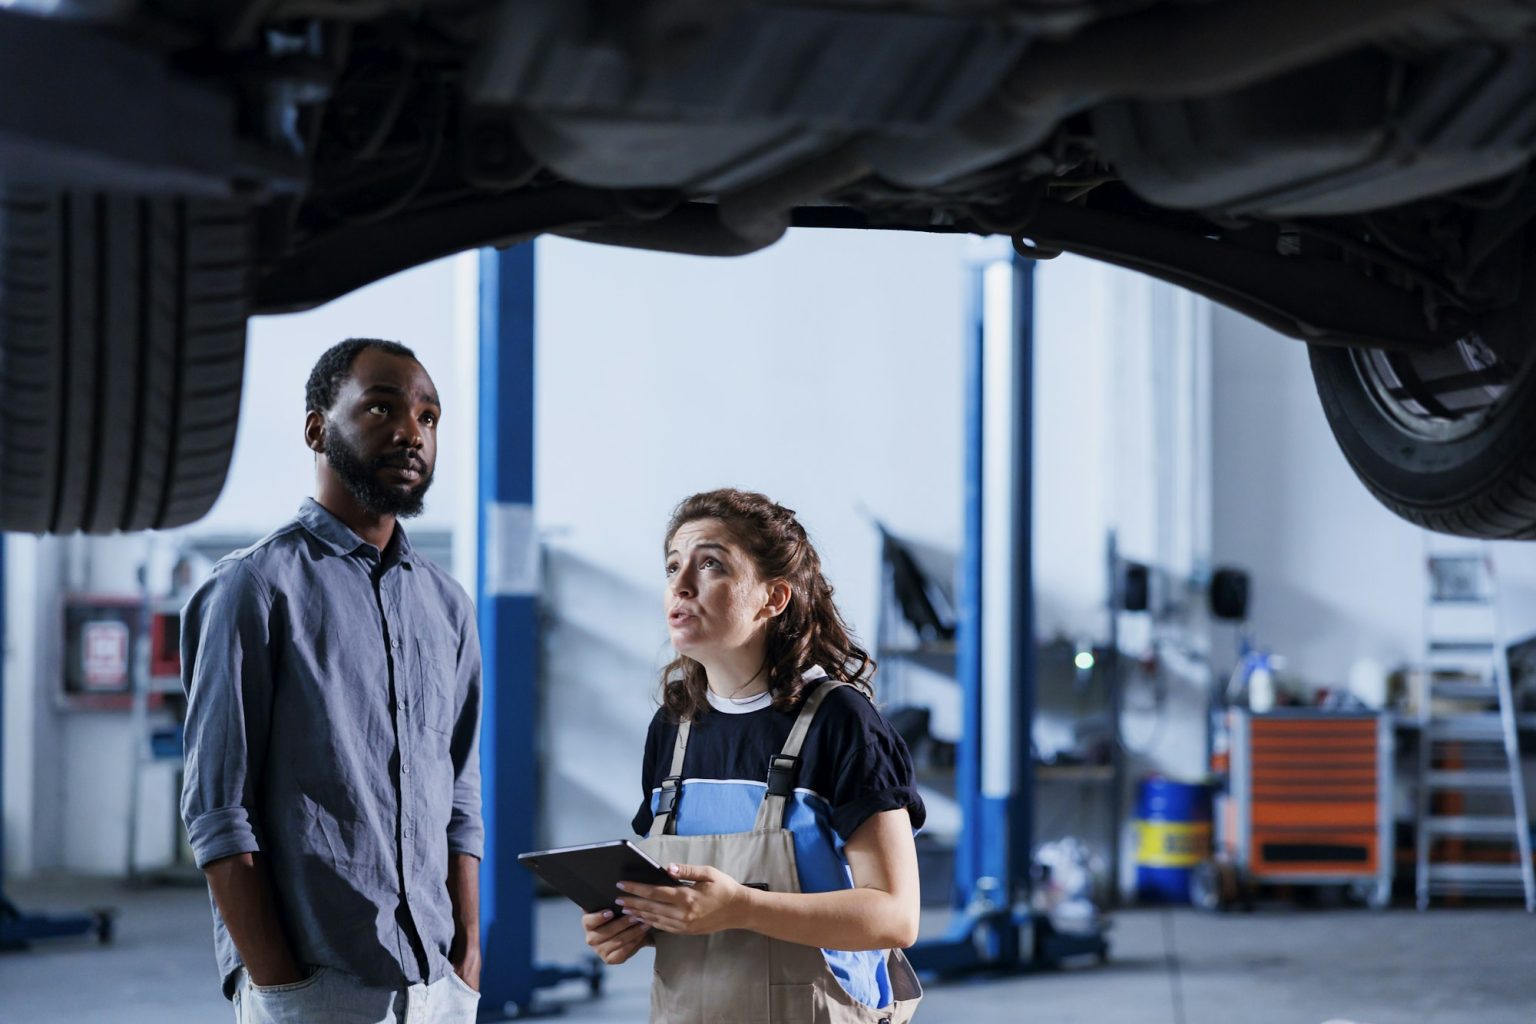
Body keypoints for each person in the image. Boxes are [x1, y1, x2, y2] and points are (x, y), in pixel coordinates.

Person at [180, 338, 483, 1024]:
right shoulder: (252, 587)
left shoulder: (448, 606)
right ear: (318, 428)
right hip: (320, 983)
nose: (412, 431)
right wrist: (283, 988)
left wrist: (467, 961)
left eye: (429, 417)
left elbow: (460, 794)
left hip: (441, 985)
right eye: (382, 407)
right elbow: (216, 812)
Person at [583, 488, 926, 1023]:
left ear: (772, 599)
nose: (681, 585)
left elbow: (895, 915)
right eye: (673, 566)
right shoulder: (673, 729)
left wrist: (742, 907)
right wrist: (638, 924)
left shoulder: (840, 723)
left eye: (711, 564)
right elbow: (692, 907)